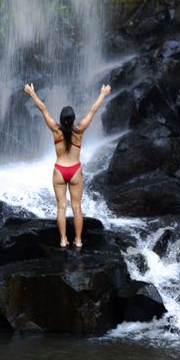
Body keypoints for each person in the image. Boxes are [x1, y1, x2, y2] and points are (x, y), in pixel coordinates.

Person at [24, 83, 111, 249]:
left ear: (61, 118)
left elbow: (42, 108)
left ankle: (63, 240)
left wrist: (32, 93)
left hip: (59, 171)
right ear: (73, 119)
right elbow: (93, 110)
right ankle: (78, 240)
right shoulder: (79, 131)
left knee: (61, 207)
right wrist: (103, 94)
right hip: (75, 171)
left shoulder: (56, 131)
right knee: (77, 207)